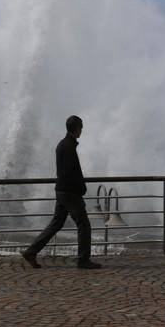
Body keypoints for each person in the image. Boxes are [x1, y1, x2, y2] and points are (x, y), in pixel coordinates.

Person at [21, 115, 102, 269]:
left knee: (56, 224)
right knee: (84, 225)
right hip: (70, 192)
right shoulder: (68, 146)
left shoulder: (63, 145)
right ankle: (83, 260)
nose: (82, 131)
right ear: (77, 128)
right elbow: (69, 173)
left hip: (62, 191)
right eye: (81, 128)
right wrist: (80, 189)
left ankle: (31, 252)